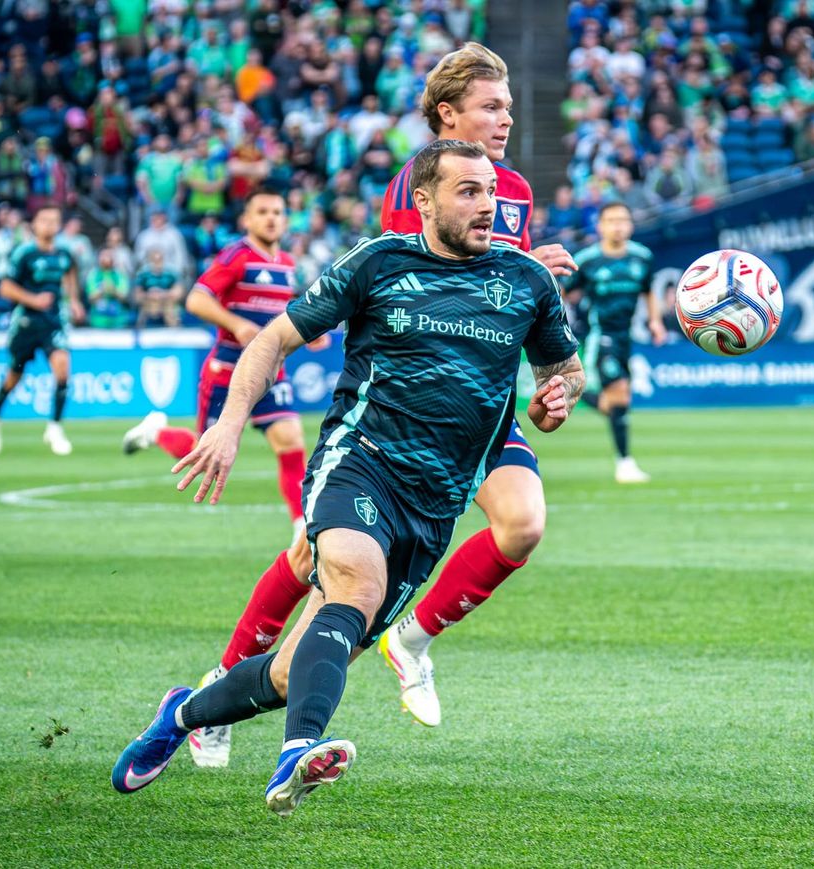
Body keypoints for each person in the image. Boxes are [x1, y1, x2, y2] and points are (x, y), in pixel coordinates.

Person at [111, 139, 585, 817]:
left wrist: (555, 401)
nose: (488, 205)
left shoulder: (526, 281)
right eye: (468, 192)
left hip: (437, 505)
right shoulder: (377, 262)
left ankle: (179, 715)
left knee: (288, 672)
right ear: (424, 201)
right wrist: (228, 424)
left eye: (490, 192)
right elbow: (272, 338)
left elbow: (562, 371)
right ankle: (298, 750)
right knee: (356, 584)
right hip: (359, 464)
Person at [123, 188, 309, 537]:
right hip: (227, 369)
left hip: (271, 370)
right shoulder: (237, 256)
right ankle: (156, 432)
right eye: (263, 212)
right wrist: (236, 324)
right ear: (247, 219)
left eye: (277, 212)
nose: (271, 218)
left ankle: (301, 529)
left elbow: (279, 312)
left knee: (291, 440)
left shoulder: (286, 263)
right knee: (205, 450)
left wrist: (308, 332)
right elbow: (196, 300)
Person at [563, 203, 665, 482]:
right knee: (619, 394)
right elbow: (561, 290)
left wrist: (655, 322)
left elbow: (649, 291)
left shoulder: (641, 257)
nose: (618, 225)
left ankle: (572, 390)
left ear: (630, 224)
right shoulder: (588, 259)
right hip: (599, 336)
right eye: (611, 220)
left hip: (625, 337)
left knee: (618, 403)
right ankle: (625, 464)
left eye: (623, 220)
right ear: (600, 226)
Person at [0, 205, 84, 457]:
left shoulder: (63, 253)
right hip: (26, 323)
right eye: (44, 220)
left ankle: (55, 428)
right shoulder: (24, 253)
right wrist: (33, 300)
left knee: (63, 368)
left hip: (53, 322)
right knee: (13, 377)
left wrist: (73, 300)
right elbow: (5, 288)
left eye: (54, 220)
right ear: (34, 225)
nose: (50, 225)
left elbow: (70, 273)